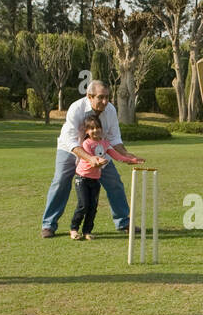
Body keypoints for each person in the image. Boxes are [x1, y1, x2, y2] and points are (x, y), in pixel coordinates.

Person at [40, 81, 141, 237]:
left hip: (99, 152)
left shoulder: (110, 110)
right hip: (70, 150)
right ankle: (49, 225)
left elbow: (114, 138)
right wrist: (89, 158)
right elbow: (71, 140)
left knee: (114, 183)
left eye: (107, 97)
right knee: (60, 181)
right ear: (89, 96)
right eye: (100, 97)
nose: (105, 102)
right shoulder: (76, 108)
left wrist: (126, 154)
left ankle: (123, 222)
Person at [70, 114, 143, 239]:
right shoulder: (86, 144)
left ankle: (87, 232)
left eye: (97, 127)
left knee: (93, 207)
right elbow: (91, 159)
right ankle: (74, 229)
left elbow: (116, 156)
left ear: (101, 129)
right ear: (86, 131)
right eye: (91, 128)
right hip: (82, 179)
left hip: (95, 180)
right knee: (83, 205)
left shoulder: (105, 143)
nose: (95, 130)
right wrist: (99, 161)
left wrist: (130, 160)